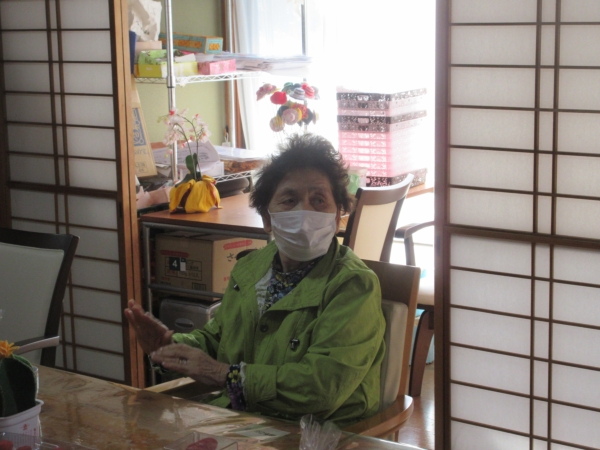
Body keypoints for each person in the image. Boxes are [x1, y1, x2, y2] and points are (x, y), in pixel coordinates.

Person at [125, 133, 385, 427]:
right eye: (290, 200)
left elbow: (322, 387)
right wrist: (169, 345)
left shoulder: (353, 286)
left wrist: (225, 375)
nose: (304, 212)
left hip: (315, 434)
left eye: (319, 200)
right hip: (244, 423)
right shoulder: (251, 270)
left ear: (337, 217)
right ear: (267, 219)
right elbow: (218, 340)